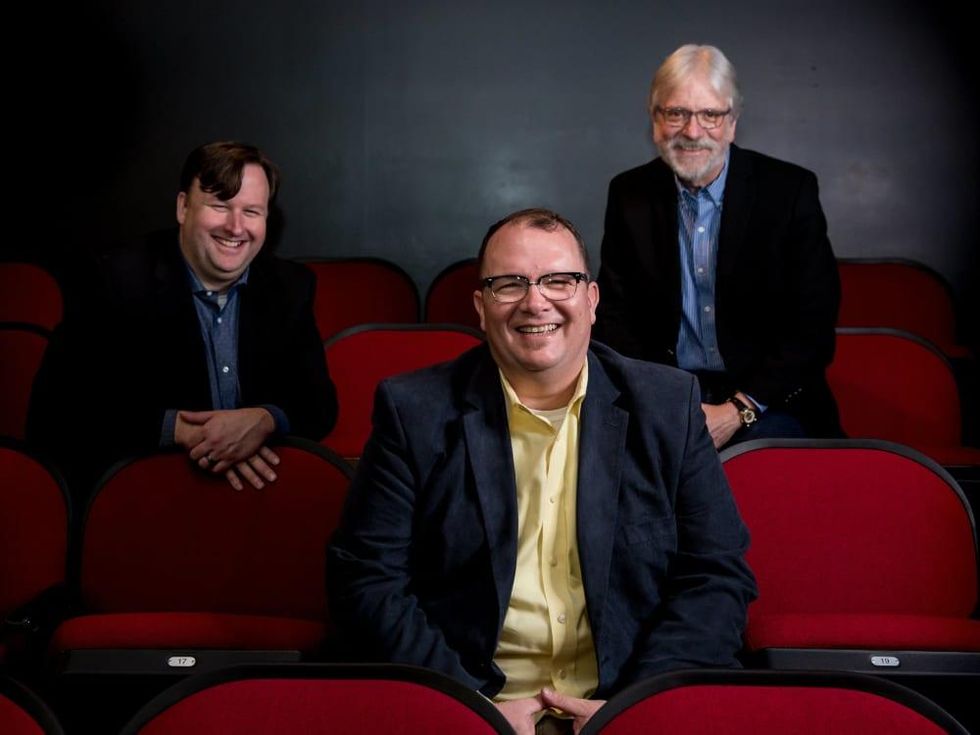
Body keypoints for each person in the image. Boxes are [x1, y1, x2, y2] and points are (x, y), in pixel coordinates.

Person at [327, 208, 756, 734]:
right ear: (481, 308)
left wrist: (632, 712)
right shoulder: (414, 411)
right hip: (469, 705)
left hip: (627, 702)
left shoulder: (667, 405)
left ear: (591, 300)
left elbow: (715, 575)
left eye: (559, 280)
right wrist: (471, 711)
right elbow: (368, 580)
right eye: (510, 284)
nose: (536, 301)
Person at [28, 141, 337, 498]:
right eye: (220, 206)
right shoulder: (111, 282)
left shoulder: (290, 286)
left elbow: (319, 404)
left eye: (252, 211)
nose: (236, 228)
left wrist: (267, 420)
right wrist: (178, 429)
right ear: (183, 207)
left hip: (256, 501)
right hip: (146, 498)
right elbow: (57, 411)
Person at [595, 44, 841, 449]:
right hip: (666, 393)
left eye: (710, 114)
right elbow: (617, 320)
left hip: (769, 401)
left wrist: (739, 410)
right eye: (676, 113)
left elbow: (811, 327)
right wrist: (666, 404)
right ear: (655, 121)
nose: (692, 132)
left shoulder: (788, 191)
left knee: (748, 481)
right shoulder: (629, 193)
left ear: (732, 122)